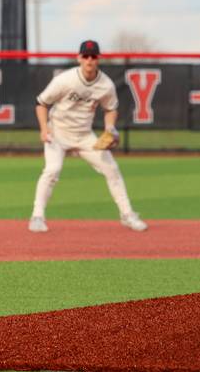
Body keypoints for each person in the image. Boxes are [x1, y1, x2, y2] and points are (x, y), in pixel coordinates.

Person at [28, 40, 148, 233]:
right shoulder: (65, 80)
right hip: (58, 132)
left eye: (93, 56)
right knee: (52, 170)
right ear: (79, 58)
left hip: (84, 135)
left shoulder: (106, 85)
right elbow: (41, 103)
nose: (89, 60)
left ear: (98, 59)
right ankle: (37, 216)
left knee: (112, 169)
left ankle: (127, 215)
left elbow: (111, 108)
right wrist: (44, 128)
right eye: (86, 56)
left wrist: (109, 127)